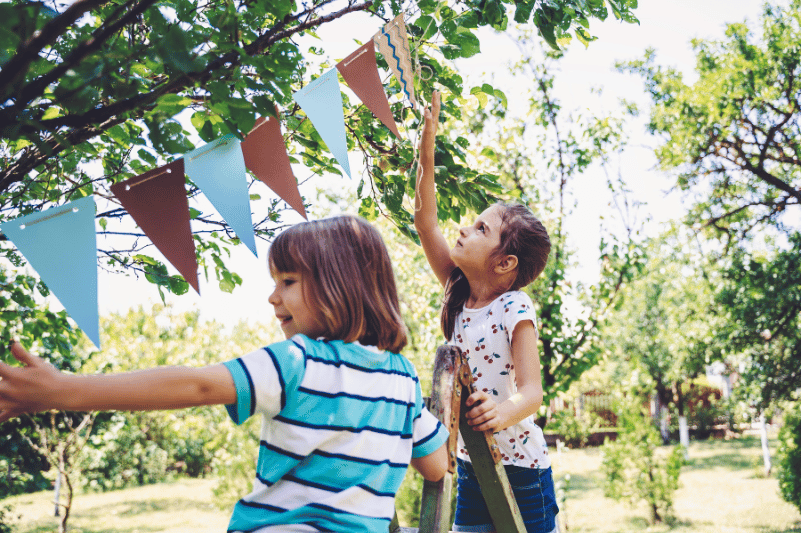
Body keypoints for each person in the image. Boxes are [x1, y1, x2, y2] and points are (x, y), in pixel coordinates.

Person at [0, 215, 450, 533]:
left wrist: (61, 390)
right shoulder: (402, 379)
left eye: (287, 281)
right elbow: (434, 467)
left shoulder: (297, 360)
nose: (273, 298)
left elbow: (195, 384)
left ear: (340, 283)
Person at [414, 90, 559, 533]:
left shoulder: (515, 307)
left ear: (504, 263)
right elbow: (424, 220)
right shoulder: (457, 292)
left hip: (523, 470)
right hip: (471, 465)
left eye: (481, 228)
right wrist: (427, 143)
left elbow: (532, 392)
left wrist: (501, 412)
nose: (464, 228)